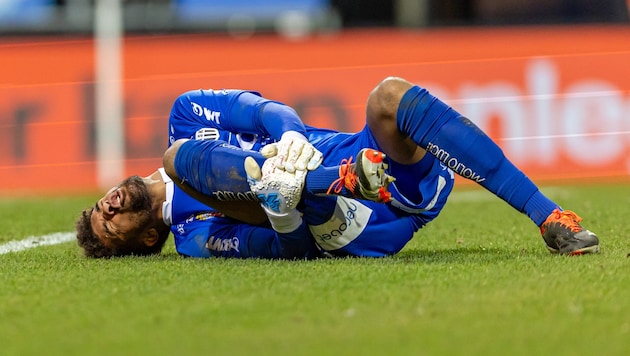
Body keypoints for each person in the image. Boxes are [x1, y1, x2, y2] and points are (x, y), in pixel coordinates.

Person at [76, 76, 600, 259]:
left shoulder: (185, 114)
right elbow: (293, 248)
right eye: (108, 225)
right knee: (183, 164)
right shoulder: (192, 237)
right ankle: (330, 181)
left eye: (97, 208)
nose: (107, 207)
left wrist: (288, 138)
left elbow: (266, 110)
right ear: (144, 241)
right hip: (349, 221)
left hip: (371, 163)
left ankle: (552, 217)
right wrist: (282, 212)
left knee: (388, 97)